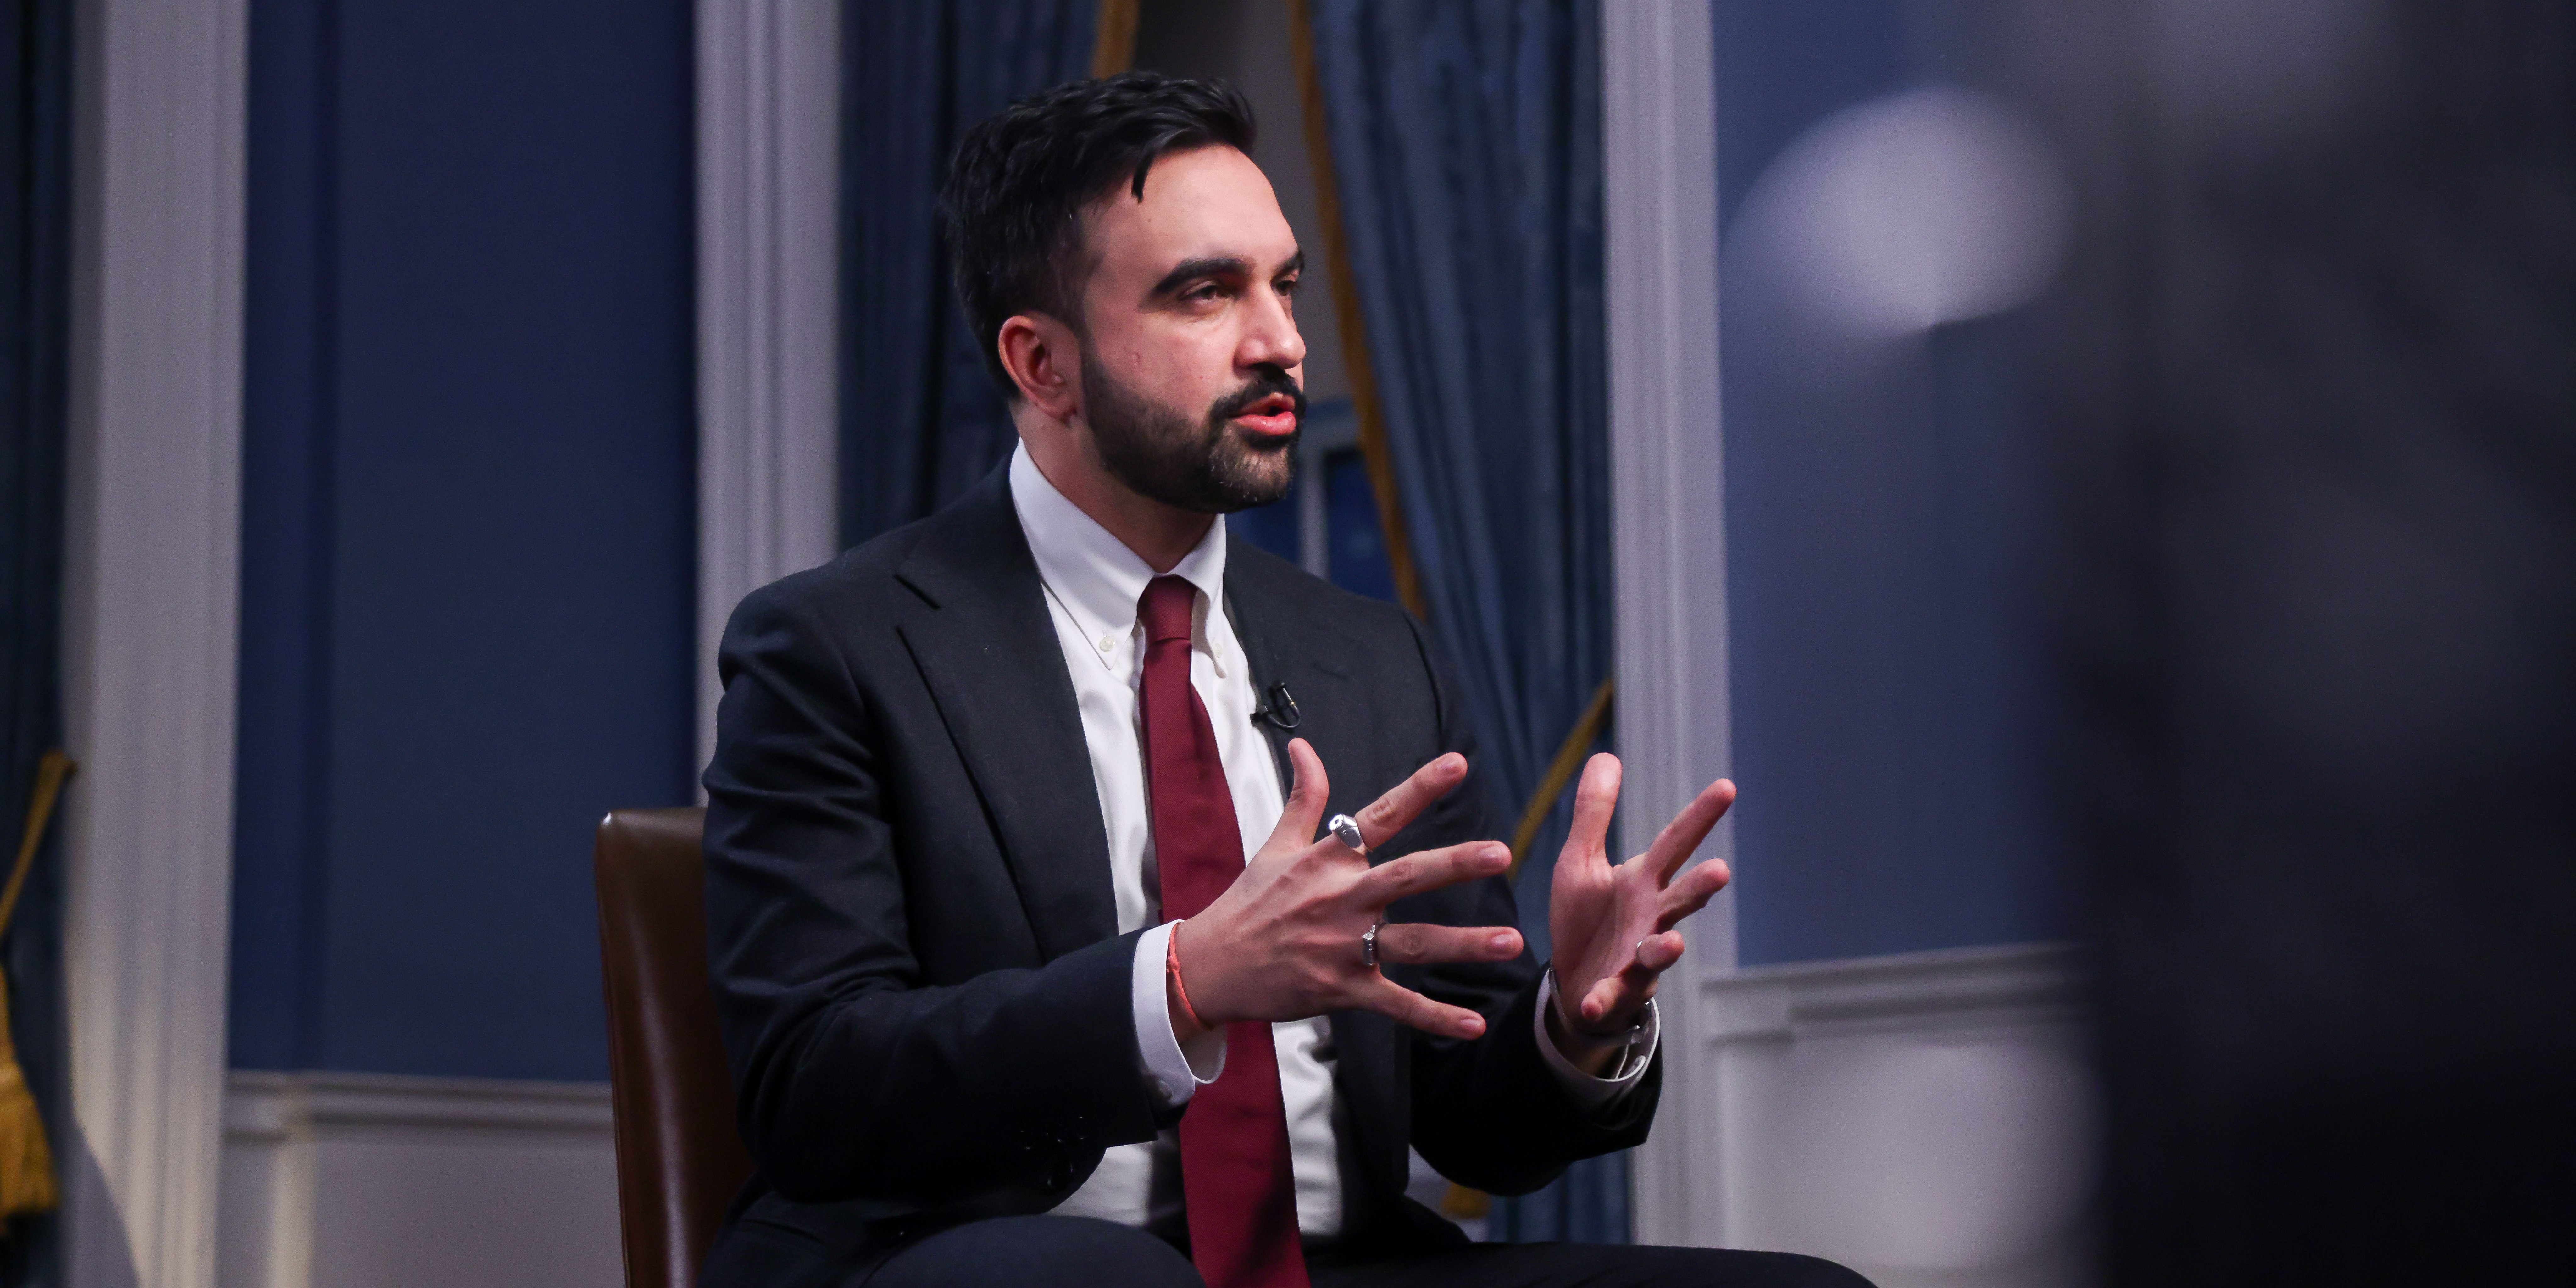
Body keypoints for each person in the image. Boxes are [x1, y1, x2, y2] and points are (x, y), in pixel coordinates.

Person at [699, 72, 1867, 1288]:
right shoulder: (835, 646)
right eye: (1206, 293)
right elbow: (811, 1085)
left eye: (1286, 285)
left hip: (1339, 1262)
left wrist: (1573, 1019)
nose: (1282, 343)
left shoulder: (1376, 659)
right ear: (1043, 365)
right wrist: (1185, 983)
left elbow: (1473, 1122)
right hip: (985, 1257)